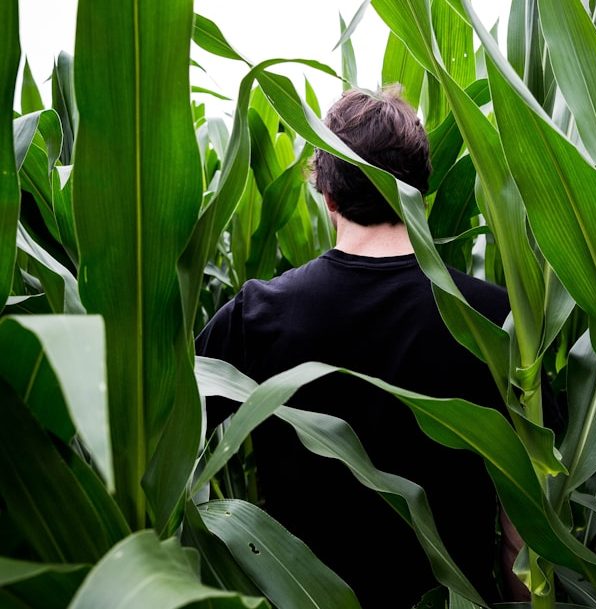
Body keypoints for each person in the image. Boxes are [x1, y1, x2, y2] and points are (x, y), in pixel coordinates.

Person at [196, 88, 518, 608]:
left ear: (327, 194)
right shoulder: (491, 318)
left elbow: (165, 443)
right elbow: (523, 532)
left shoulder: (257, 315)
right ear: (419, 190)